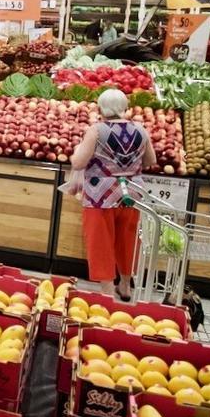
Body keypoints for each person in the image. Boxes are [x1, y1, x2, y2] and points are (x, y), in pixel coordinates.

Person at [69, 89, 158, 301]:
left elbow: (79, 162)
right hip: (132, 194)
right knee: (127, 240)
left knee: (101, 241)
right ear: (125, 107)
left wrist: (76, 152)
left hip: (101, 196)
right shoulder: (140, 129)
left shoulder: (97, 130)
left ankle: (107, 290)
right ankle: (125, 286)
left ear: (101, 108)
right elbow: (150, 161)